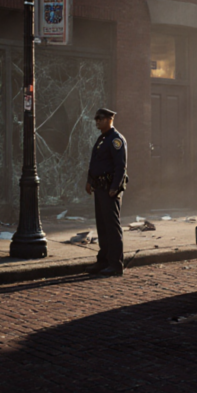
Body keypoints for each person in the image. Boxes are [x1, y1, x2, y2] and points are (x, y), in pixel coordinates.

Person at [85, 108, 128, 276]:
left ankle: (116, 264)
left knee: (112, 227)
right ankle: (103, 261)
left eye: (100, 119)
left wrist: (115, 187)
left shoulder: (116, 139)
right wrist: (89, 181)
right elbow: (95, 162)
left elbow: (121, 166)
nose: (97, 121)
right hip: (100, 188)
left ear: (110, 119)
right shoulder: (102, 139)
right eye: (96, 119)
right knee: (102, 226)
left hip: (109, 189)